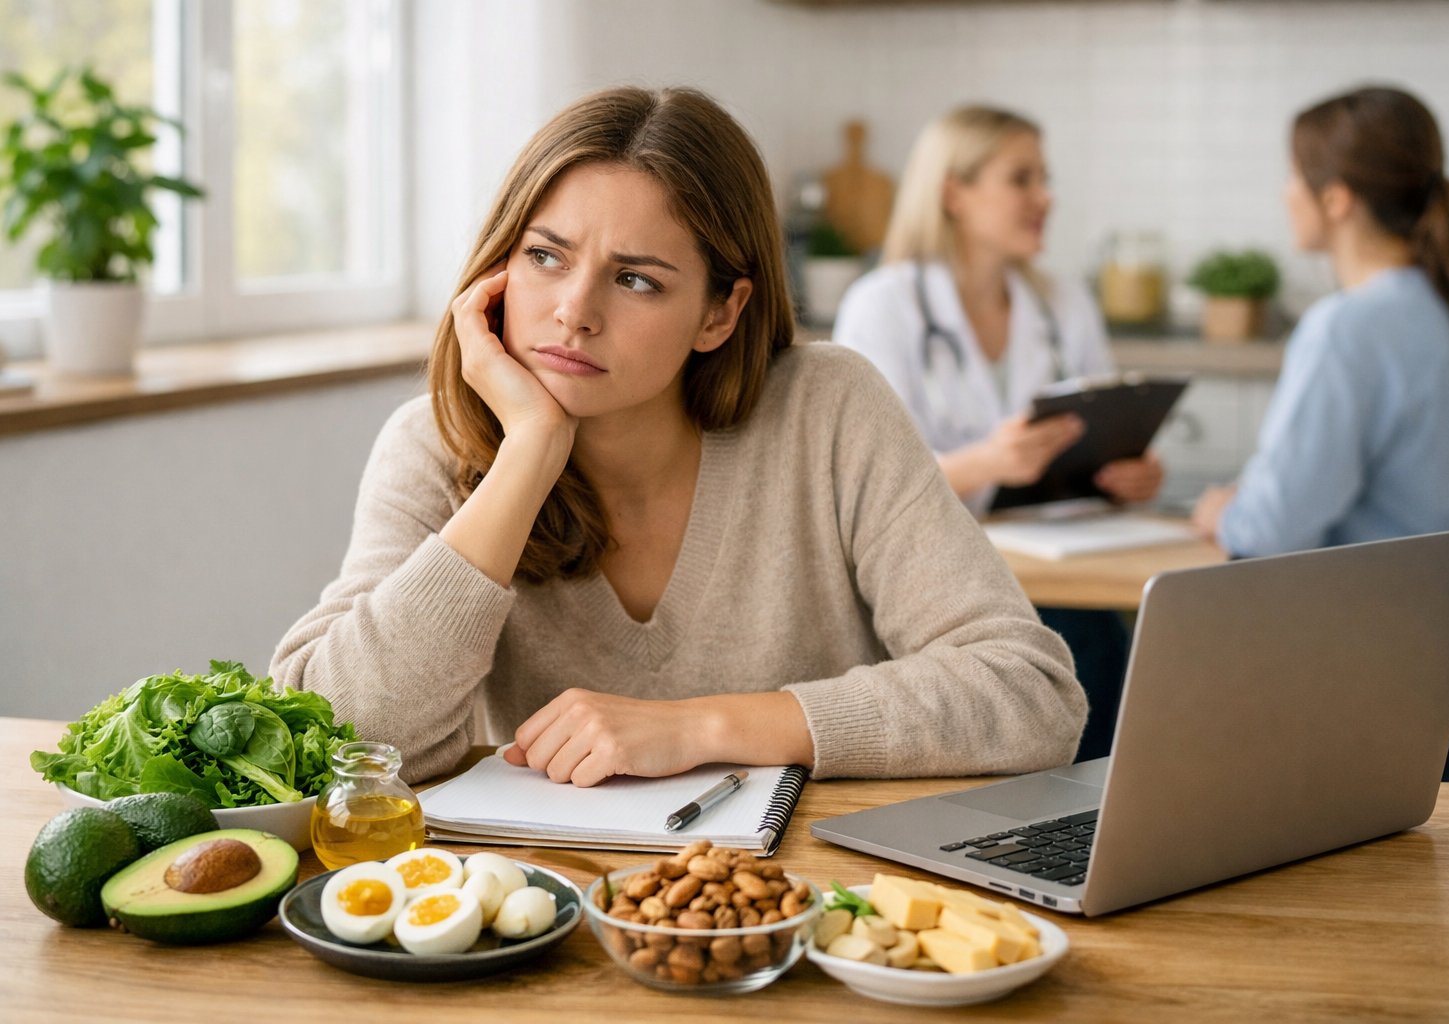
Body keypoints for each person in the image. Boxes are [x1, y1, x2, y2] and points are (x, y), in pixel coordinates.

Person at [270, 86, 1085, 788]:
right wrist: (525, 460)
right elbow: (340, 739)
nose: (574, 312)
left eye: (634, 280)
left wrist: (704, 729)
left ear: (719, 313)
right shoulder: (432, 445)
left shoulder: (829, 409)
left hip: (809, 909)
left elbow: (1031, 696)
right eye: (546, 257)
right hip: (544, 918)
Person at [833, 105, 1163, 762]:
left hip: (1065, 570)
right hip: (939, 588)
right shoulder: (884, 305)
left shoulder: (1063, 303)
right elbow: (852, 490)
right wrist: (987, 463)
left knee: (1109, 688)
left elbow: (1108, 433)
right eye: (1022, 179)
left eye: (1044, 178)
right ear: (954, 192)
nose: (1046, 197)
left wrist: (1133, 476)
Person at [1192, 85, 1449, 557]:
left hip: (1376, 622)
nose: (1286, 193)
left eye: (1294, 176)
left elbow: (1270, 531)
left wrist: (1226, 513)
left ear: (1336, 200)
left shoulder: (1345, 330)